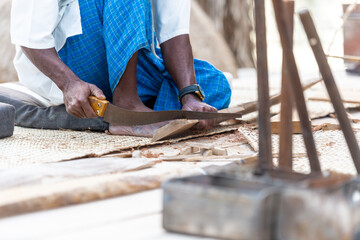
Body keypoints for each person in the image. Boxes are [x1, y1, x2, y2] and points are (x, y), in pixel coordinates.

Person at [7, 0, 231, 137]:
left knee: (215, 84)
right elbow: (29, 36)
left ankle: (130, 108)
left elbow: (174, 32)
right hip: (67, 62)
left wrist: (189, 95)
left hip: (125, 61)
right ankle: (128, 109)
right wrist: (69, 83)